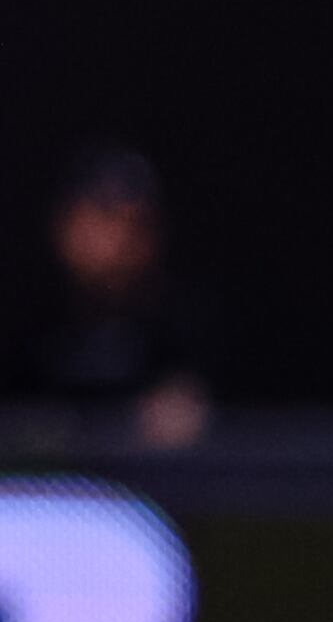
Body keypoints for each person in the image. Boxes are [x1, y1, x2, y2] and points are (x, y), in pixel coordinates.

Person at [25, 147, 218, 448]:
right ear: (65, 224)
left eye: (138, 223)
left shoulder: (183, 324)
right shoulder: (30, 321)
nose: (121, 239)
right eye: (105, 216)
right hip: (45, 489)